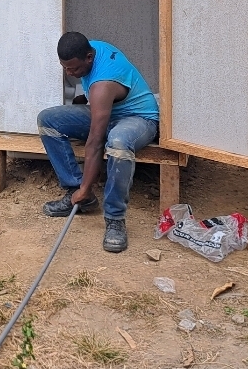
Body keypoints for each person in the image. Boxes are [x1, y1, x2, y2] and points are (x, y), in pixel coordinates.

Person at [37, 32, 159, 253]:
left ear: (89, 57)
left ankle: (115, 218)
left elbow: (95, 142)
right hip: (110, 112)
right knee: (48, 120)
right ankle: (77, 193)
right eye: (65, 67)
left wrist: (87, 186)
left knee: (118, 142)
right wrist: (82, 98)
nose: (69, 73)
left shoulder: (103, 84)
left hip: (139, 118)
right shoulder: (88, 48)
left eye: (74, 68)